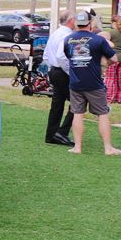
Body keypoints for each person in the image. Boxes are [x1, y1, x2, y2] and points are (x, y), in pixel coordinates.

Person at [63, 9, 121, 155]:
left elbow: (69, 57)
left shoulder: (68, 39)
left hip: (75, 83)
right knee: (102, 114)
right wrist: (104, 60)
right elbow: (115, 59)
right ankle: (108, 148)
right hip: (94, 84)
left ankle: (77, 147)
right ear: (90, 23)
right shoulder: (98, 40)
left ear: (77, 24)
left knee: (77, 113)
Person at [42, 10, 77, 146]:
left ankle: (51, 134)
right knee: (77, 102)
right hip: (62, 72)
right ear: (71, 20)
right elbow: (61, 57)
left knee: (57, 104)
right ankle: (61, 133)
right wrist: (71, 72)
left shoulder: (56, 33)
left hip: (54, 70)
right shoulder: (67, 35)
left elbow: (46, 54)